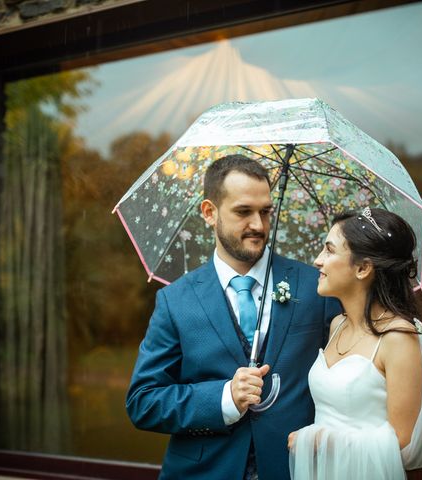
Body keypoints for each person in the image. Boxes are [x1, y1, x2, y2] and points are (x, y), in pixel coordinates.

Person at [126, 155, 341, 480]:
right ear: (209, 213)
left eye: (266, 212)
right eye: (243, 212)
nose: (258, 224)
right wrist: (223, 399)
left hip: (294, 469)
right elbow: (144, 402)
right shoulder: (175, 300)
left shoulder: (316, 287)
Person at [288, 207, 422, 479]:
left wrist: (320, 441)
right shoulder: (337, 325)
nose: (318, 260)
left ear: (363, 268)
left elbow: (404, 443)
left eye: (329, 250)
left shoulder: (399, 339)